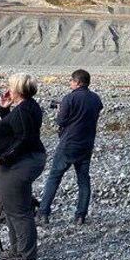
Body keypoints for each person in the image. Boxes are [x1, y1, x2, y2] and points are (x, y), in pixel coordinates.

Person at [0, 73, 46, 260]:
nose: (7, 88)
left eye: (10, 85)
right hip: (23, 160)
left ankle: (27, 255)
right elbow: (13, 130)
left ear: (18, 89)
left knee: (18, 211)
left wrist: (1, 159)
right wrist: (5, 110)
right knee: (11, 207)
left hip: (22, 162)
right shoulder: (28, 107)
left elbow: (22, 139)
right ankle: (17, 249)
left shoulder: (25, 111)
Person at [37, 69, 103, 225]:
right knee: (83, 180)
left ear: (78, 82)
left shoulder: (69, 98)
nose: (70, 83)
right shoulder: (96, 98)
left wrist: (62, 110)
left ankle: (43, 213)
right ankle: (80, 215)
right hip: (87, 144)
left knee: (54, 177)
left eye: (71, 81)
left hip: (68, 144)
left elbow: (60, 122)